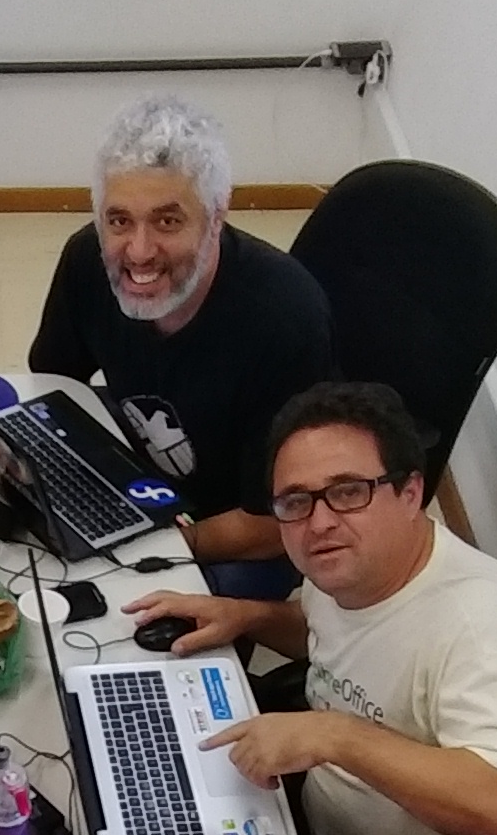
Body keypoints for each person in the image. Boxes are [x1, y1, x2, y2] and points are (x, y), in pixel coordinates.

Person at [126, 380, 497, 835]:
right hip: (318, 833)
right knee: (136, 820)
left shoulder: (481, 630)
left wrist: (334, 736)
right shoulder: (353, 568)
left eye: (348, 492)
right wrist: (246, 615)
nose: (319, 522)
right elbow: (331, 633)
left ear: (410, 492)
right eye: (295, 501)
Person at [29, 94, 333, 600]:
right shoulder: (86, 258)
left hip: (244, 528)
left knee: (136, 617)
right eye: (118, 220)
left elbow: (274, 521)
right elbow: (53, 385)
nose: (139, 252)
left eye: (167, 221)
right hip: (146, 482)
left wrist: (147, 549)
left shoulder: (286, 323)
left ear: (216, 218)